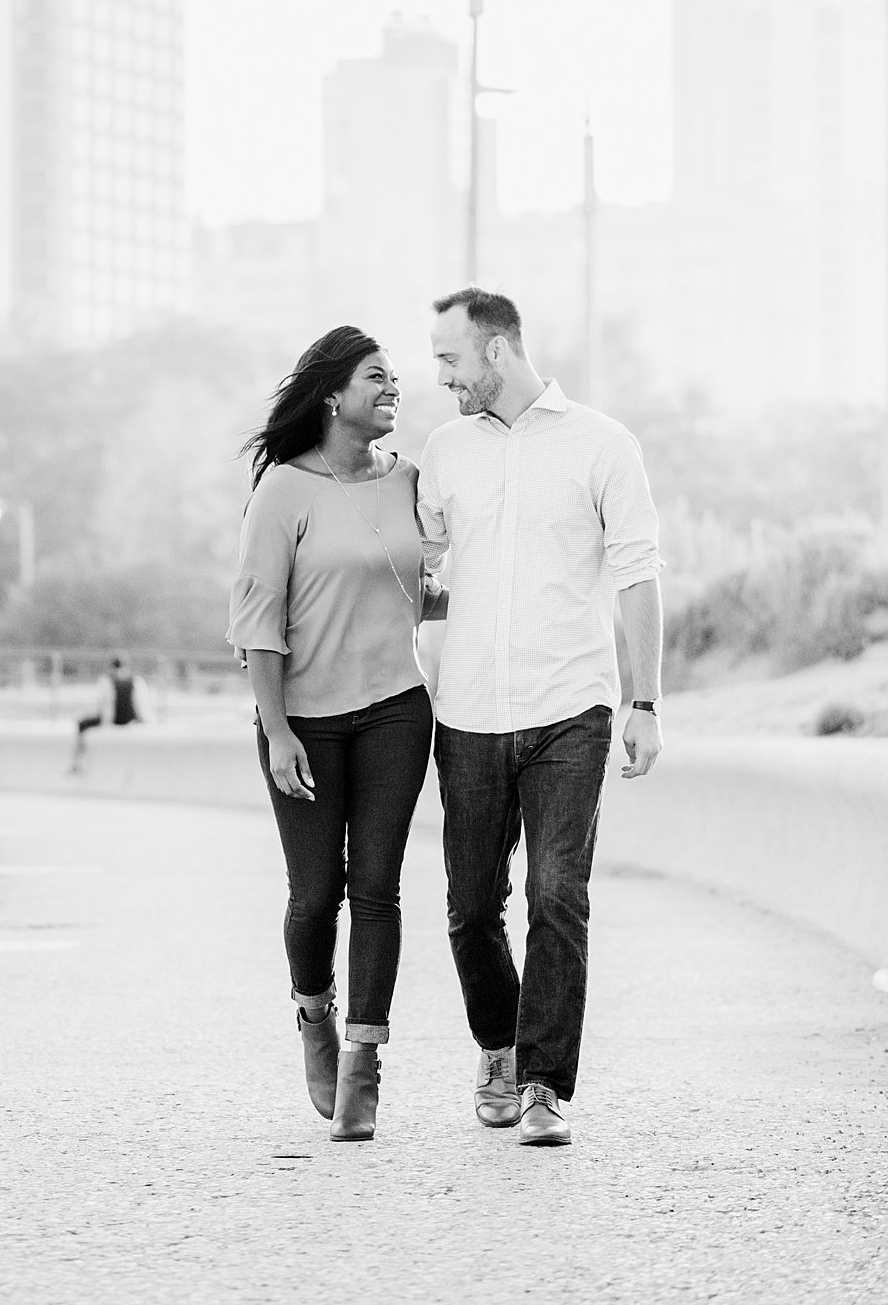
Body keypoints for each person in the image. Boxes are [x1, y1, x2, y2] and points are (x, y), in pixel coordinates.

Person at [418, 286, 663, 1149]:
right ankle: (499, 1043)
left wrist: (645, 701)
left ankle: (544, 1084)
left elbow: (637, 574)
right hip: (471, 714)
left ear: (494, 351)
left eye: (448, 357)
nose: (438, 374)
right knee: (469, 906)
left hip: (572, 708)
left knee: (558, 892)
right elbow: (414, 568)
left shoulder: (602, 444)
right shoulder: (443, 453)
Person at [227, 326, 445, 1143]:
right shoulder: (283, 491)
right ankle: (314, 1012)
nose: (394, 389)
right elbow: (258, 621)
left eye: (396, 379)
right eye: (376, 377)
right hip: (305, 721)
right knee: (316, 892)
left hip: (395, 706)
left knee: (378, 885)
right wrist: (276, 729)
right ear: (331, 394)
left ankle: (363, 1064)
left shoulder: (410, 480)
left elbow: (410, 591)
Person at [69, 654, 151, 773]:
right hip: (131, 718)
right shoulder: (136, 680)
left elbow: (102, 704)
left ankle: (77, 763)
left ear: (112, 666)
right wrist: (146, 720)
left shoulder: (106, 680)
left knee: (81, 724)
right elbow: (142, 704)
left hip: (112, 719)